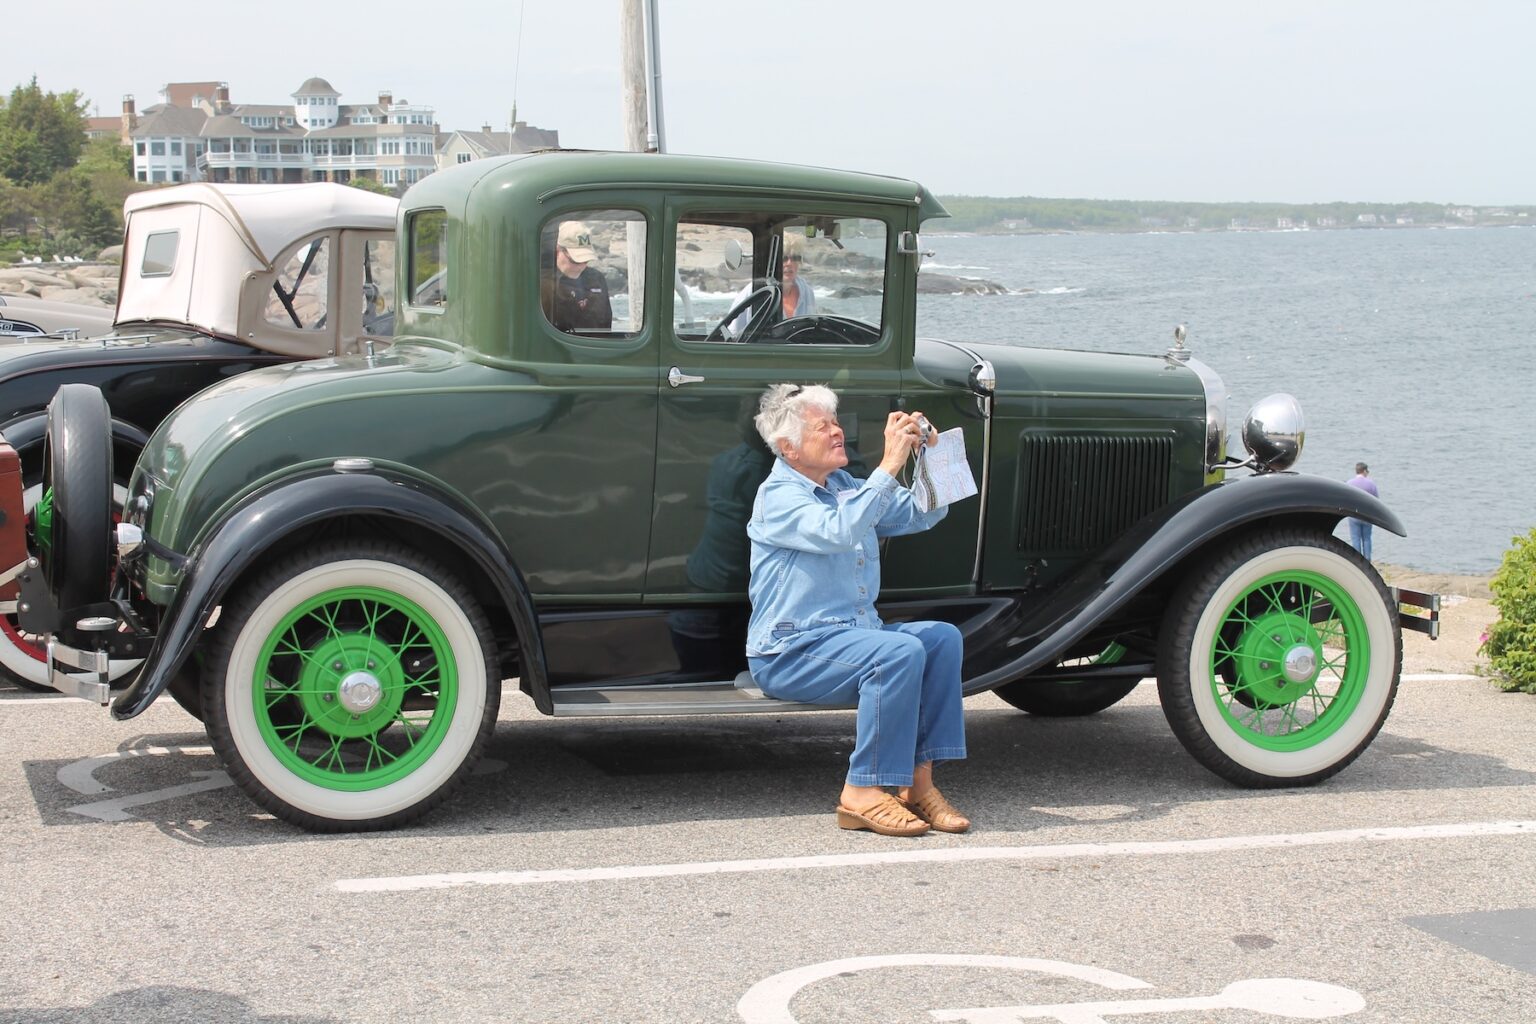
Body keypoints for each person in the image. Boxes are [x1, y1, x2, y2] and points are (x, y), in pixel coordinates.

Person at [745, 383, 969, 837]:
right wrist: (888, 464)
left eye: (836, 422)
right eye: (822, 426)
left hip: (849, 640)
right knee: (896, 653)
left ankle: (916, 783)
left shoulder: (845, 486)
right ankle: (861, 793)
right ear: (788, 447)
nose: (836, 431)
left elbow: (924, 513)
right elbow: (839, 532)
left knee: (942, 638)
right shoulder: (779, 497)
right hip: (789, 651)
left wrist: (931, 451)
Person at [726, 238, 815, 338]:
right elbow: (731, 334)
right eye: (784, 258)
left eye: (795, 258)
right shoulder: (754, 291)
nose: (789, 263)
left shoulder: (807, 292)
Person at [548, 221, 612, 332]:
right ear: (557, 251)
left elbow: (606, 325)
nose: (581, 266)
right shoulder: (541, 282)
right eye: (575, 260)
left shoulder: (597, 279)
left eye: (586, 260)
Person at [1346, 462, 1380, 560]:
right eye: (1367, 471)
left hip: (1353, 515)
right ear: (1364, 471)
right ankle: (1368, 560)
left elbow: (1346, 499)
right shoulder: (1371, 484)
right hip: (1367, 515)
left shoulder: (1349, 483)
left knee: (1355, 538)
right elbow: (1376, 500)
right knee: (1367, 538)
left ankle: (1357, 560)